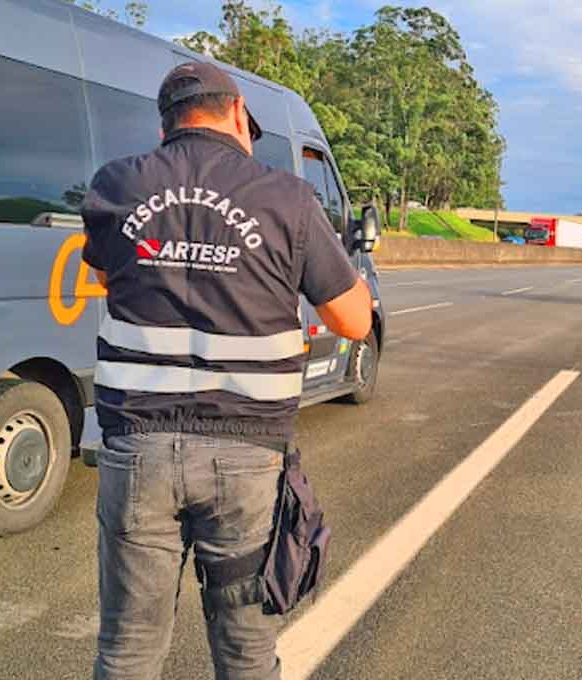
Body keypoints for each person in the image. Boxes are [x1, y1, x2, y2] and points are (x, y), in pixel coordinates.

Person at [81, 62, 373, 680]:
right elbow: (351, 322)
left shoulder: (117, 184)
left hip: (138, 449)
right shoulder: (287, 198)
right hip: (244, 457)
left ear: (166, 126)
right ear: (237, 114)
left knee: (128, 651)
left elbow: (106, 277)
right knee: (244, 653)